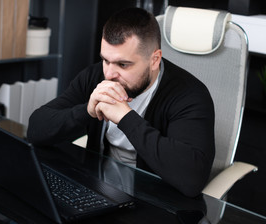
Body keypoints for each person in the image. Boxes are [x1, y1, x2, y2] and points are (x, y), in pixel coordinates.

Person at [27, 7, 215, 197]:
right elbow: (36, 130)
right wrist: (87, 111)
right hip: (97, 188)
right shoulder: (95, 77)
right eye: (105, 60)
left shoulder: (189, 95)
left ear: (154, 60)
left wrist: (125, 117)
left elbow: (192, 178)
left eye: (123, 64)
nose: (109, 74)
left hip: (152, 202)